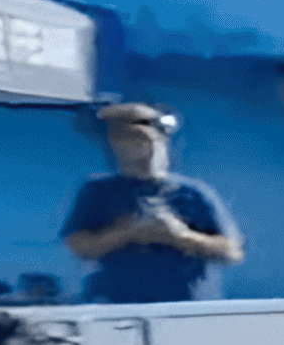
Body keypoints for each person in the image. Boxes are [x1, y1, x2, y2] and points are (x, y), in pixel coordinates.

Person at [60, 102, 243, 305]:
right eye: (121, 137)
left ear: (161, 139)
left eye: (140, 137)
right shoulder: (97, 191)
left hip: (186, 308)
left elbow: (231, 252)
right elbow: (78, 246)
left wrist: (180, 236)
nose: (131, 144)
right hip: (117, 307)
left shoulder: (193, 193)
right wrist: (127, 232)